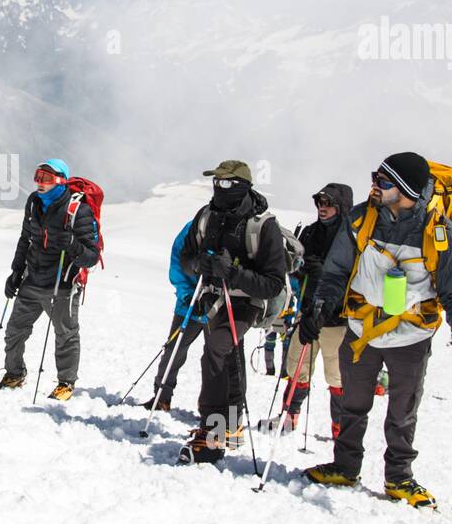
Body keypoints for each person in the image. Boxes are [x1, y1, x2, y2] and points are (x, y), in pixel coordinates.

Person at [301, 153, 452, 507]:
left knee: (402, 411)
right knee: (352, 403)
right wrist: (320, 307)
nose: (375, 184)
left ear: (405, 189)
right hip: (361, 329)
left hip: (412, 337)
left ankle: (399, 478)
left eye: (384, 181)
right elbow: (336, 272)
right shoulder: (360, 218)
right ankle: (345, 466)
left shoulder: (439, 232)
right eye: (376, 177)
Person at [177, 160, 287, 463]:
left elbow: (273, 284)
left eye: (226, 183)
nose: (218, 188)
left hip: (245, 301)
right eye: (216, 183)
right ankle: (233, 425)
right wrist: (199, 264)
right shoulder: (207, 216)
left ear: (241, 186)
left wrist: (233, 273)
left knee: (216, 349)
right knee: (229, 357)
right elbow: (186, 256)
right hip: (212, 298)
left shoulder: (263, 226)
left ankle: (213, 433)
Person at [0, 159, 100, 401]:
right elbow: (26, 239)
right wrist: (15, 272)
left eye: (45, 178)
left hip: (61, 284)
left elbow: (92, 257)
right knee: (14, 330)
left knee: (65, 335)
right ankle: (14, 373)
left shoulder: (78, 210)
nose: (39, 182)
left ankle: (66, 383)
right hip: (32, 279)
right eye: (37, 176)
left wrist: (74, 246)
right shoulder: (33, 203)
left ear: (61, 180)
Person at [267, 183, 353, 437]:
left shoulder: (352, 237)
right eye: (319, 202)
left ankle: (340, 428)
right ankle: (289, 416)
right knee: (296, 365)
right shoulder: (309, 232)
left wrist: (324, 270)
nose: (322, 208)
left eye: (328, 203)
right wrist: (303, 268)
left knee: (336, 375)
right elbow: (294, 268)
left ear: (341, 206)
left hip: (338, 318)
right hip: (307, 313)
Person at [142, 219, 211, 411]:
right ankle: (161, 397)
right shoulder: (198, 225)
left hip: (218, 307)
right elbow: (178, 261)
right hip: (190, 302)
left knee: (215, 361)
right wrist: (188, 295)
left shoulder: (237, 227)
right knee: (174, 350)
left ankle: (212, 409)